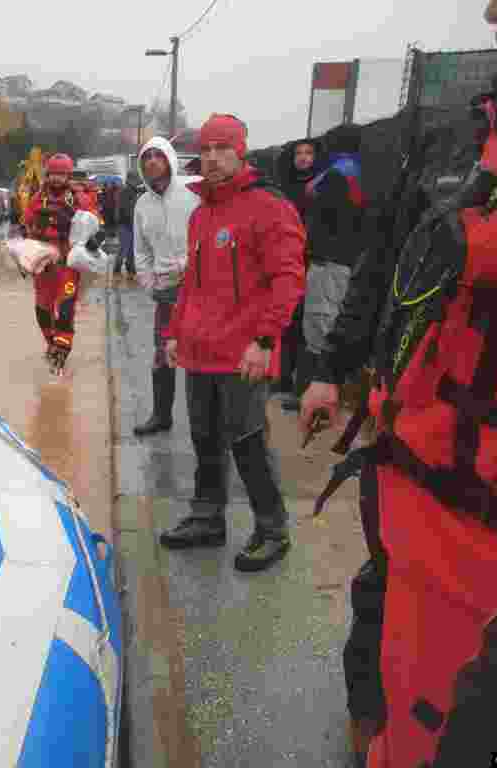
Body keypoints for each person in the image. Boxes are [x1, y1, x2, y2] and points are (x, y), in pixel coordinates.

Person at [301, 0, 497, 763]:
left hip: (487, 580)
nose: (488, 12)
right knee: (374, 622)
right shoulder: (464, 142)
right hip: (408, 490)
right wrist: (331, 369)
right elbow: (387, 267)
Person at [159, 114, 306, 572]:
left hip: (244, 354)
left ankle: (272, 528)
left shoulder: (269, 207)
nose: (213, 157)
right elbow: (193, 285)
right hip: (200, 351)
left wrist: (264, 339)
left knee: (247, 442)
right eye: (205, 149)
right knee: (203, 440)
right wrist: (174, 334)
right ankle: (207, 518)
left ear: (241, 152)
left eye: (223, 148)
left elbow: (288, 278)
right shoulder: (202, 214)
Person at [131, 136, 201, 436]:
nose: (152, 162)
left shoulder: (194, 190)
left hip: (201, 286)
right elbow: (141, 250)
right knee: (163, 354)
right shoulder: (142, 204)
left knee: (202, 355)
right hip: (166, 289)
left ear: (170, 159)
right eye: (147, 157)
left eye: (158, 156)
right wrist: (148, 282)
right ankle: (162, 416)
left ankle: (206, 422)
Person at [296, 123, 365, 403]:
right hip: (342, 261)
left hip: (329, 262)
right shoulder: (355, 172)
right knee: (326, 319)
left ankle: (315, 393)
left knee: (319, 324)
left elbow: (325, 218)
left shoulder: (336, 176)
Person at [21, 153, 99, 376]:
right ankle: (52, 343)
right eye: (53, 173)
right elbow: (27, 222)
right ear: (48, 174)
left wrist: (93, 241)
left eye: (61, 174)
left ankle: (61, 353)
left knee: (65, 310)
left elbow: (96, 225)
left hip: (68, 264)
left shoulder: (80, 199)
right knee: (41, 310)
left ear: (68, 175)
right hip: (44, 264)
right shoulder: (38, 198)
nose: (57, 178)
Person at [274, 137, 322, 410]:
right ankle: (282, 376)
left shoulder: (322, 186)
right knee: (287, 319)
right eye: (299, 153)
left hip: (310, 261)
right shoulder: (287, 187)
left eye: (308, 153)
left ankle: (298, 383)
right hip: (288, 260)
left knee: (306, 324)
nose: (303, 158)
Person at [113, 171, 143, 278]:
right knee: (125, 248)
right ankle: (117, 268)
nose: (138, 182)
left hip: (128, 223)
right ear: (131, 180)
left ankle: (130, 268)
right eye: (137, 180)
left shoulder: (131, 191)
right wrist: (133, 221)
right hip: (125, 224)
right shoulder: (127, 192)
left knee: (130, 248)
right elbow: (126, 210)